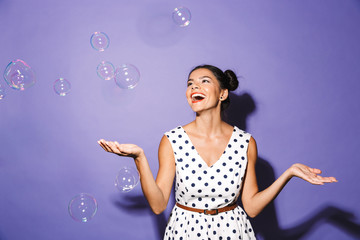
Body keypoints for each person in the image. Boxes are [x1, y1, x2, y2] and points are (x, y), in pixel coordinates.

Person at [98, 64, 337, 239]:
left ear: (223, 94)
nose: (194, 87)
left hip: (234, 232)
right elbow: (159, 205)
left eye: (204, 81)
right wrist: (139, 158)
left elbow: (251, 207)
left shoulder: (246, 143)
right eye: (190, 83)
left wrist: (289, 173)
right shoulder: (172, 140)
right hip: (185, 231)